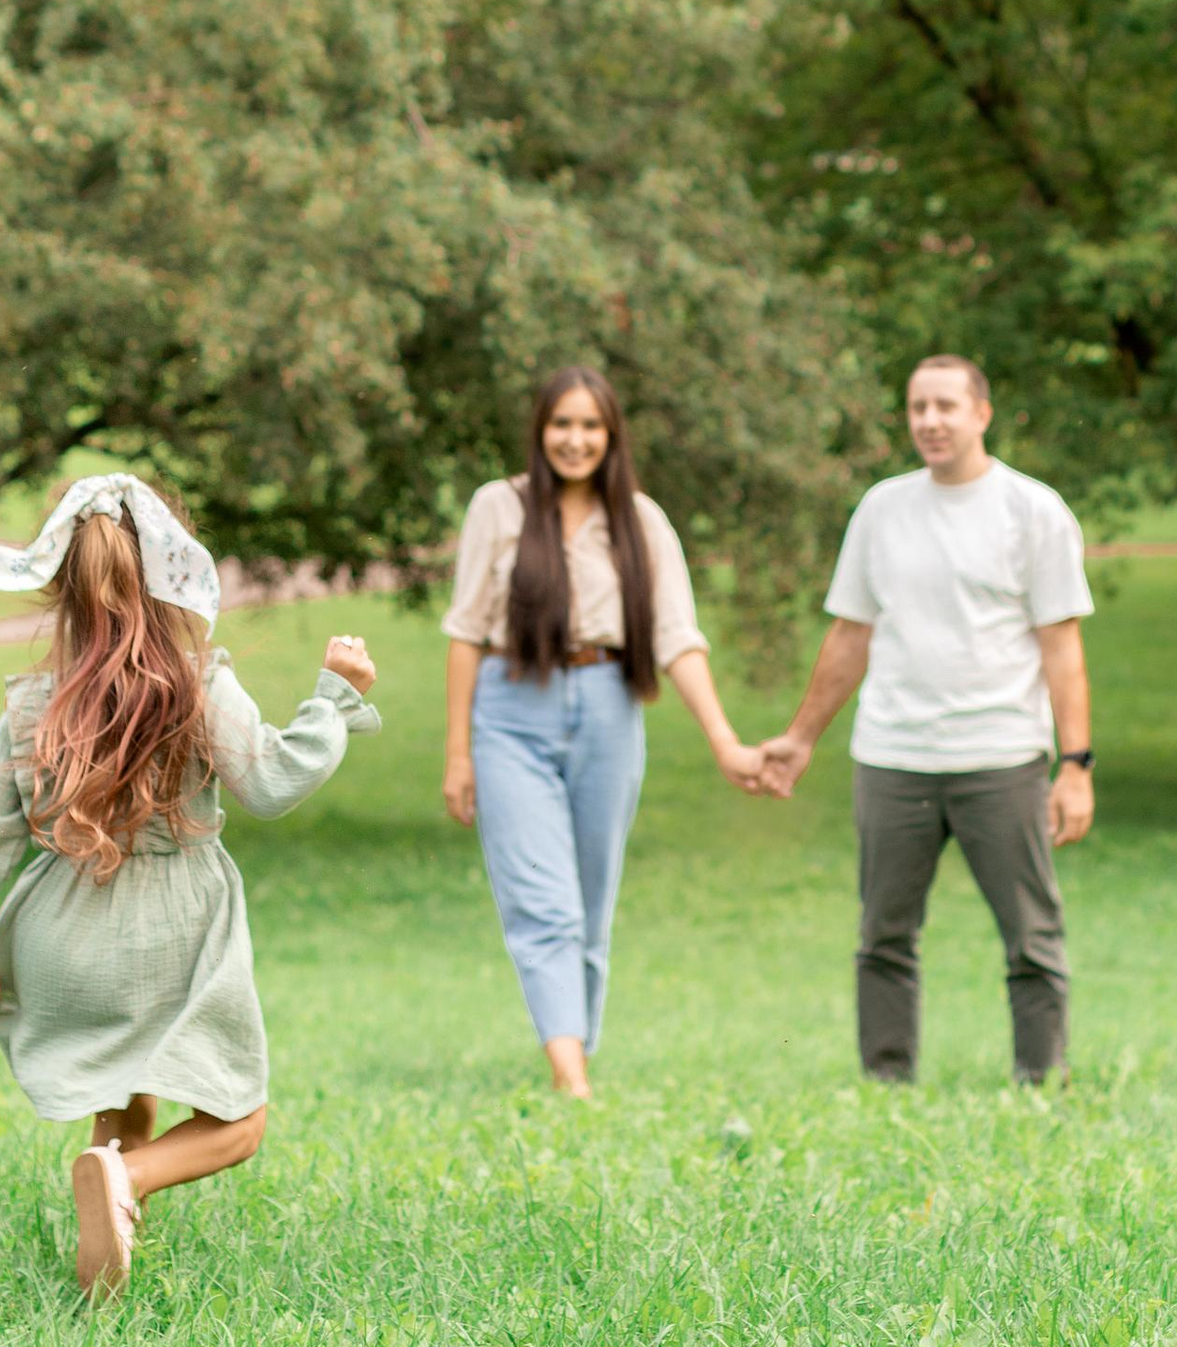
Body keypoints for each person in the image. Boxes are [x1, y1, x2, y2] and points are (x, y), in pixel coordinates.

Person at [0, 473, 382, 1298]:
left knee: (117, 1094)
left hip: (64, 940)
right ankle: (131, 1182)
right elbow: (270, 783)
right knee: (238, 1123)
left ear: (60, 587)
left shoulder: (32, 707)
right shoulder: (200, 686)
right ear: (174, 575)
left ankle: (109, 1243)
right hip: (176, 932)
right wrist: (334, 700)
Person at [758, 356, 1095, 1086]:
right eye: (917, 408)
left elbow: (1060, 645)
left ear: (982, 411)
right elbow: (851, 634)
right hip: (894, 757)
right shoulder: (882, 509)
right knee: (883, 937)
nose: (930, 421)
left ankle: (1042, 1083)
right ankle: (887, 1082)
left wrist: (1077, 765)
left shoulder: (1033, 511)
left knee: (1031, 938)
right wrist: (801, 737)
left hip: (1000, 757)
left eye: (945, 405)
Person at [442, 367, 762, 1097]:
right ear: (540, 431)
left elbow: (679, 636)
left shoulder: (640, 520)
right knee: (543, 903)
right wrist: (458, 753)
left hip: (611, 708)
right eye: (562, 425)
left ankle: (574, 1048)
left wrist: (724, 740)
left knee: (590, 902)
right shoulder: (499, 507)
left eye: (591, 426)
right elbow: (464, 633)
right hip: (511, 709)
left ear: (611, 435)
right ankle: (571, 1078)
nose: (575, 440)